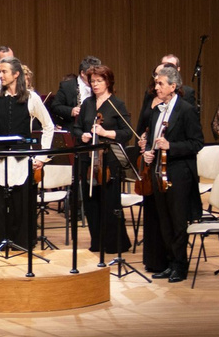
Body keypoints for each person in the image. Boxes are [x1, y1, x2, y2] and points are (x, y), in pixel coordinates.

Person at [0, 55, 57, 251]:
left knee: (20, 208)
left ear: (16, 74)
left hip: (21, 162)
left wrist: (42, 157)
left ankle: (22, 247)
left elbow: (49, 126)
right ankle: (1, 247)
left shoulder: (32, 98)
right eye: (0, 72)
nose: (1, 75)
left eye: (4, 71)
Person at [137, 65, 200, 281]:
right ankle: (170, 262)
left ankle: (181, 267)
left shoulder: (187, 110)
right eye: (156, 83)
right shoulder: (156, 112)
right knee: (164, 220)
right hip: (158, 171)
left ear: (173, 86)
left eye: (161, 84)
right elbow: (151, 143)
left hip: (179, 172)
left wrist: (170, 146)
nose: (156, 87)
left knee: (178, 221)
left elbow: (196, 143)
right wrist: (147, 151)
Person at [76, 63, 132, 262]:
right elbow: (76, 128)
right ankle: (96, 241)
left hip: (109, 161)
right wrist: (82, 134)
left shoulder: (117, 104)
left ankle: (115, 243)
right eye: (92, 81)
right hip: (89, 160)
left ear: (108, 81)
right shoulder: (87, 104)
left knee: (109, 202)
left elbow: (127, 133)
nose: (95, 84)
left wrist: (106, 133)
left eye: (99, 81)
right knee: (91, 203)